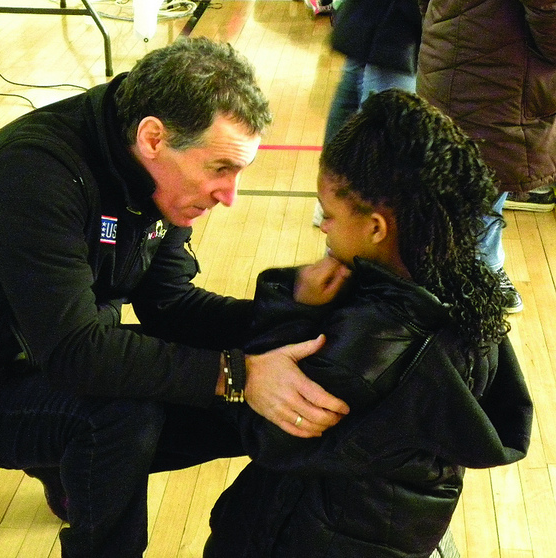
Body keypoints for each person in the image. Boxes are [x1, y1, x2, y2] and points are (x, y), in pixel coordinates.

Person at [0, 37, 349, 558]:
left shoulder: (151, 173)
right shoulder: (33, 173)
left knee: (266, 408)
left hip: (74, 352)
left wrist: (294, 312)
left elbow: (170, 305)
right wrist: (238, 375)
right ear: (153, 137)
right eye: (220, 168)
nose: (230, 196)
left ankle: (70, 471)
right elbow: (76, 355)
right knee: (126, 414)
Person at [204, 90, 533, 558]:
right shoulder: (465, 288)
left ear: (377, 228)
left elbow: (267, 436)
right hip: (393, 530)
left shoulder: (366, 346)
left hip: (307, 539)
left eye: (329, 214)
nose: (322, 227)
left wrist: (294, 311)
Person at [417, 0, 556, 313]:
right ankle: (474, 276)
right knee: (483, 188)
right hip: (498, 83)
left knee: (465, 186)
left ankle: (472, 269)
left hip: (452, 57)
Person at [313, 0, 422, 226]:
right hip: (396, 31)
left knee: (352, 106)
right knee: (379, 130)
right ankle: (355, 216)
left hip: (367, 18)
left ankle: (333, 204)